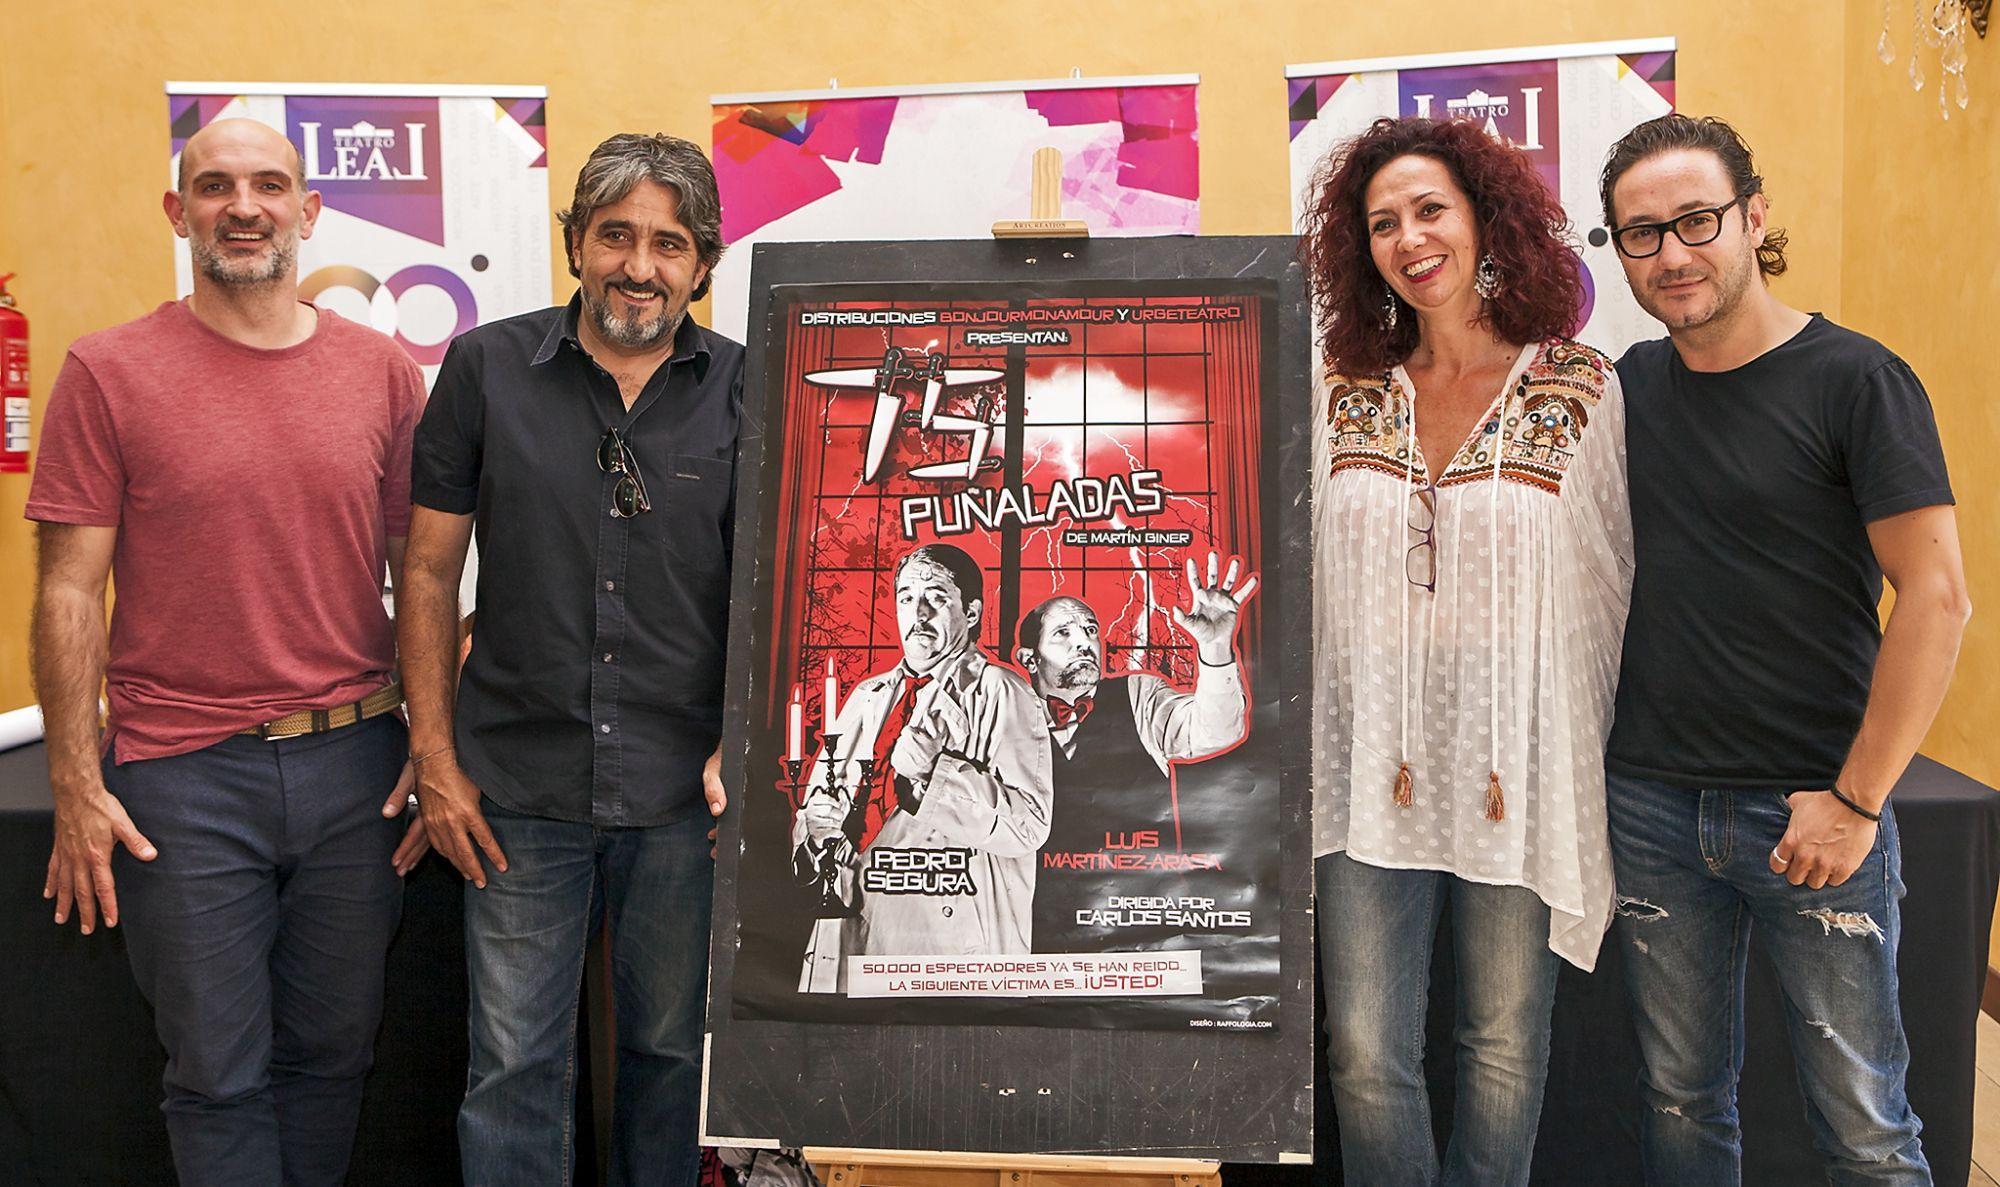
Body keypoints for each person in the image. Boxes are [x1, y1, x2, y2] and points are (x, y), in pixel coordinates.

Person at [26, 117, 427, 1185]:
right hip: (182, 776)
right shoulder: (108, 371)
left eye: (267, 185)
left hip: (356, 766)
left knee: (334, 1057)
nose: (242, 207)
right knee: (216, 1074)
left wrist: (433, 745)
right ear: (179, 212)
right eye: (214, 186)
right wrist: (73, 780)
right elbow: (68, 588)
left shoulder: (385, 374)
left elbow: (427, 578)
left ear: (309, 211)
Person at [1600, 113, 1967, 1185]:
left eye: (1696, 220)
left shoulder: (1857, 379)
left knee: (1864, 1126)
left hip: (1814, 811)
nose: (1671, 253)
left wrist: (1855, 800)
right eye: (1640, 234)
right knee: (1679, 1101)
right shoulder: (1624, 388)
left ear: (1754, 217)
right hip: (1652, 807)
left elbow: (1937, 600)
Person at [398, 133, 741, 1187]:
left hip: (684, 796)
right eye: (616, 235)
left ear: (702, 262)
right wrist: (435, 759)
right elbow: (427, 572)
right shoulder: (483, 369)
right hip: (517, 790)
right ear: (576, 244)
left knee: (670, 1058)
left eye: (669, 244)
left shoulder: (748, 387)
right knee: (512, 1067)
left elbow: (777, 591)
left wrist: (742, 745)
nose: (640, 266)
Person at [1298, 116, 1631, 1185]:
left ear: (1485, 219)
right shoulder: (1342, 386)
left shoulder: (1578, 384)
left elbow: (1607, 581)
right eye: (1381, 223)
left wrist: (1573, 749)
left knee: (1502, 1046)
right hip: (1366, 760)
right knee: (1364, 1050)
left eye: (1429, 209)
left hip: (1510, 764)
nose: (1409, 238)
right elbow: (1304, 568)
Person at [791, 543, 1051, 990]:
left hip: (948, 944)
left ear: (972, 612)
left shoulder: (1003, 691)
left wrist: (933, 776)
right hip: (854, 934)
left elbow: (1030, 825)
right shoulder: (867, 696)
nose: (919, 612)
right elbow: (816, 814)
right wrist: (814, 832)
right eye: (907, 598)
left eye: (936, 596)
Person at [1014, 551, 1255, 954]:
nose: (1084, 642)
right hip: (1031, 935)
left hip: (1141, 935)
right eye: (1063, 634)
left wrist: (1215, 648)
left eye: (1090, 630)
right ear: (1029, 658)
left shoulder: (1139, 694)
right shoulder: (1004, 713)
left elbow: (1216, 731)